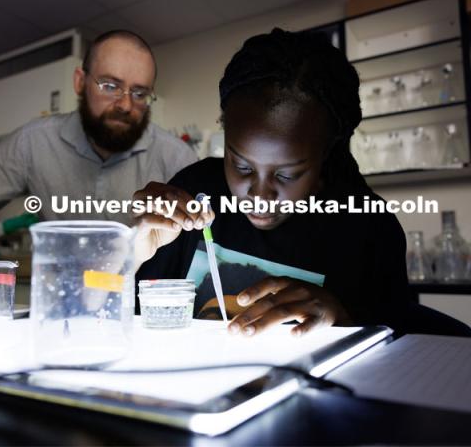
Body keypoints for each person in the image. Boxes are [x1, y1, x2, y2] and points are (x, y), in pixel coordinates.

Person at [134, 28, 471, 337]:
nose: (259, 195)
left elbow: (400, 356)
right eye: (241, 165)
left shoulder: (368, 231)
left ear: (324, 156)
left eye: (286, 174)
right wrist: (130, 253)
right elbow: (107, 311)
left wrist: (342, 320)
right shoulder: (193, 192)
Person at [0, 30, 197, 225]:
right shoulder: (32, 141)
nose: (125, 105)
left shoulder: (177, 158)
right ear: (80, 82)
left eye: (139, 93)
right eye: (110, 86)